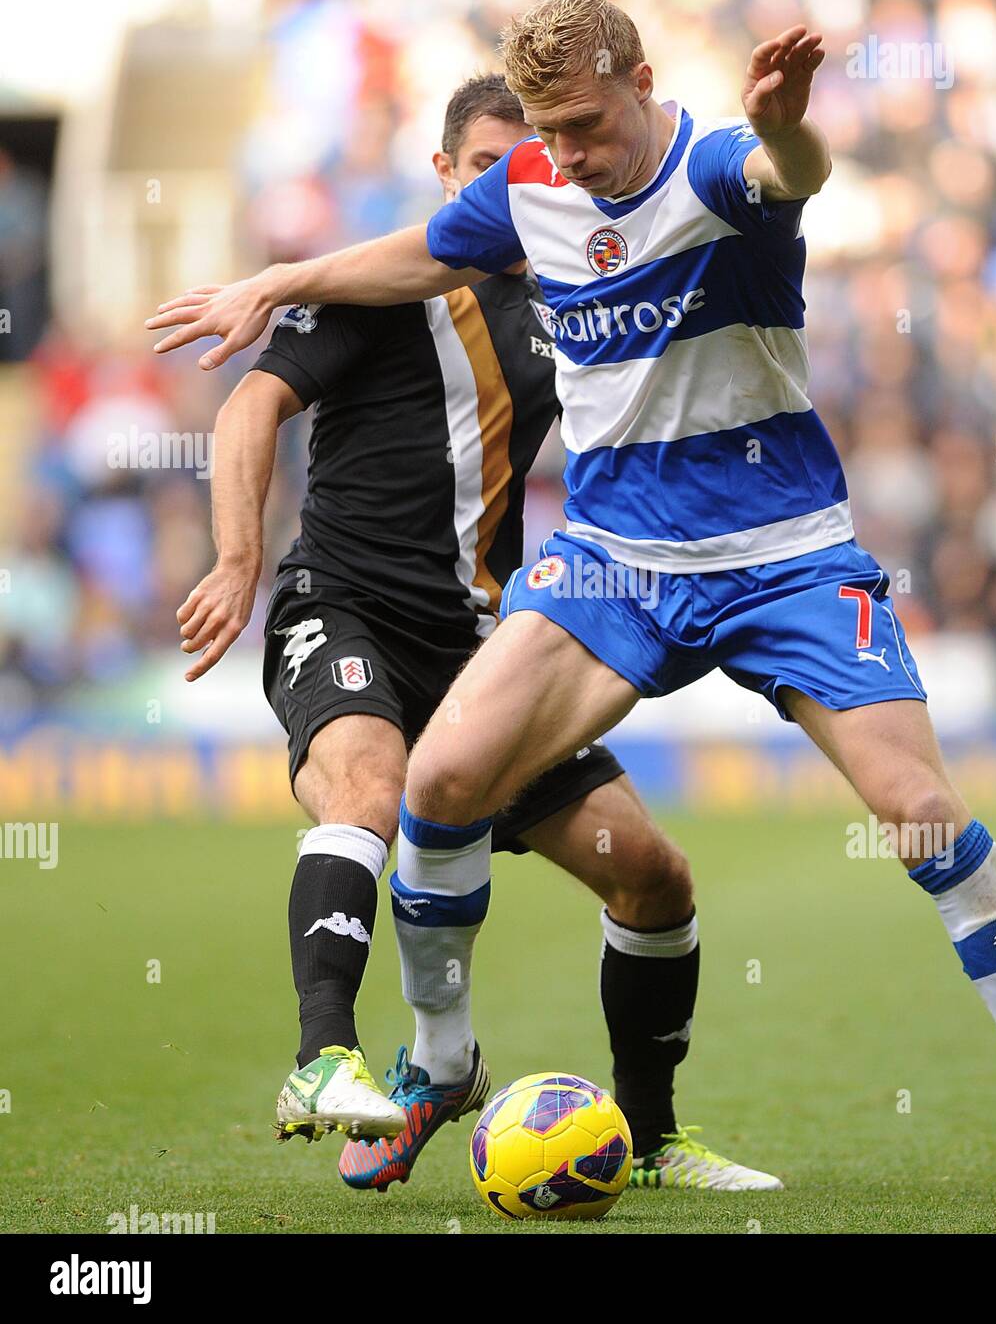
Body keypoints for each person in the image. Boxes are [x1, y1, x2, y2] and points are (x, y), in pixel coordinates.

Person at [150, 0, 996, 1214]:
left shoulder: (716, 166)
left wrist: (792, 122)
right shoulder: (535, 182)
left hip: (783, 555)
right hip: (615, 560)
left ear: (646, 83)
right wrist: (278, 276)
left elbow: (790, 169)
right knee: (441, 783)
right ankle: (442, 1064)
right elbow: (426, 250)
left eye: (592, 126)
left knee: (920, 812)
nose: (574, 155)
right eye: (551, 131)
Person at [175, 71, 781, 1194]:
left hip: (481, 640)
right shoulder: (385, 285)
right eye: (492, 169)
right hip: (345, 606)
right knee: (369, 786)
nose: (517, 188)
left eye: (534, 167)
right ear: (447, 177)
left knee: (652, 876)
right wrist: (238, 558)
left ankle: (646, 1138)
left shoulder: (573, 294)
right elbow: (252, 403)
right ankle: (326, 1060)